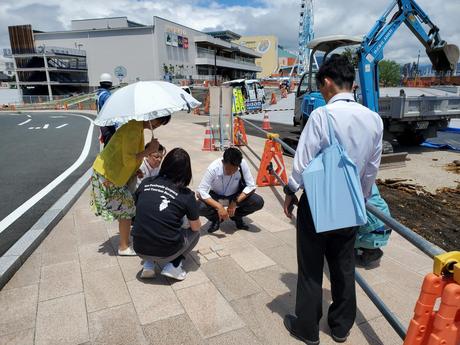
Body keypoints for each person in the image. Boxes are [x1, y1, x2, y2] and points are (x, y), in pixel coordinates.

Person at [282, 55, 383, 344]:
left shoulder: (322, 115)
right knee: (343, 265)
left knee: (311, 266)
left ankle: (307, 329)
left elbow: (302, 161)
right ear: (351, 82)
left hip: (318, 201)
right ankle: (340, 327)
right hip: (351, 202)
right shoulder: (374, 119)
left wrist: (290, 191)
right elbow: (371, 169)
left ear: (327, 82)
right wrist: (361, 199)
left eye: (321, 86)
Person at [90, 116, 171, 256]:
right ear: (151, 116)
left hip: (113, 173)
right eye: (159, 120)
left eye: (162, 122)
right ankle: (123, 246)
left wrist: (135, 171)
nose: (159, 124)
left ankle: (124, 242)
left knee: (126, 208)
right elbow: (128, 160)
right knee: (127, 208)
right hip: (109, 174)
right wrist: (149, 150)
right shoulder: (133, 129)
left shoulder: (136, 126)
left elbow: (128, 157)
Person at [132, 148, 201, 280]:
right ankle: (174, 265)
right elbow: (196, 227)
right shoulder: (186, 195)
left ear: (165, 165)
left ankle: (148, 264)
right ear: (187, 171)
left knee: (152, 220)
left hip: (138, 247)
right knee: (195, 233)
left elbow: (139, 210)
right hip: (166, 250)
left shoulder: (147, 182)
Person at [197, 147, 264, 233]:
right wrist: (219, 206)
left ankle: (236, 216)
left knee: (258, 202)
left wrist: (235, 202)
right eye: (228, 169)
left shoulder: (242, 164)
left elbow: (251, 186)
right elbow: (200, 191)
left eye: (234, 170)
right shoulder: (213, 168)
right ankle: (216, 219)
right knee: (198, 207)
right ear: (223, 162)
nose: (231, 172)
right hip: (216, 196)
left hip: (234, 196)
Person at [355, 184, 392, 266]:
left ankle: (371, 252)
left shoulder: (353, 188)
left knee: (342, 239)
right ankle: (370, 249)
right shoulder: (371, 185)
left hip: (374, 235)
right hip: (386, 226)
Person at [96, 73, 116, 147]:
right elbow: (111, 110)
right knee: (110, 147)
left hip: (103, 124)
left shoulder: (99, 94)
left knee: (107, 146)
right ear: (110, 84)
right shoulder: (106, 95)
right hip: (108, 125)